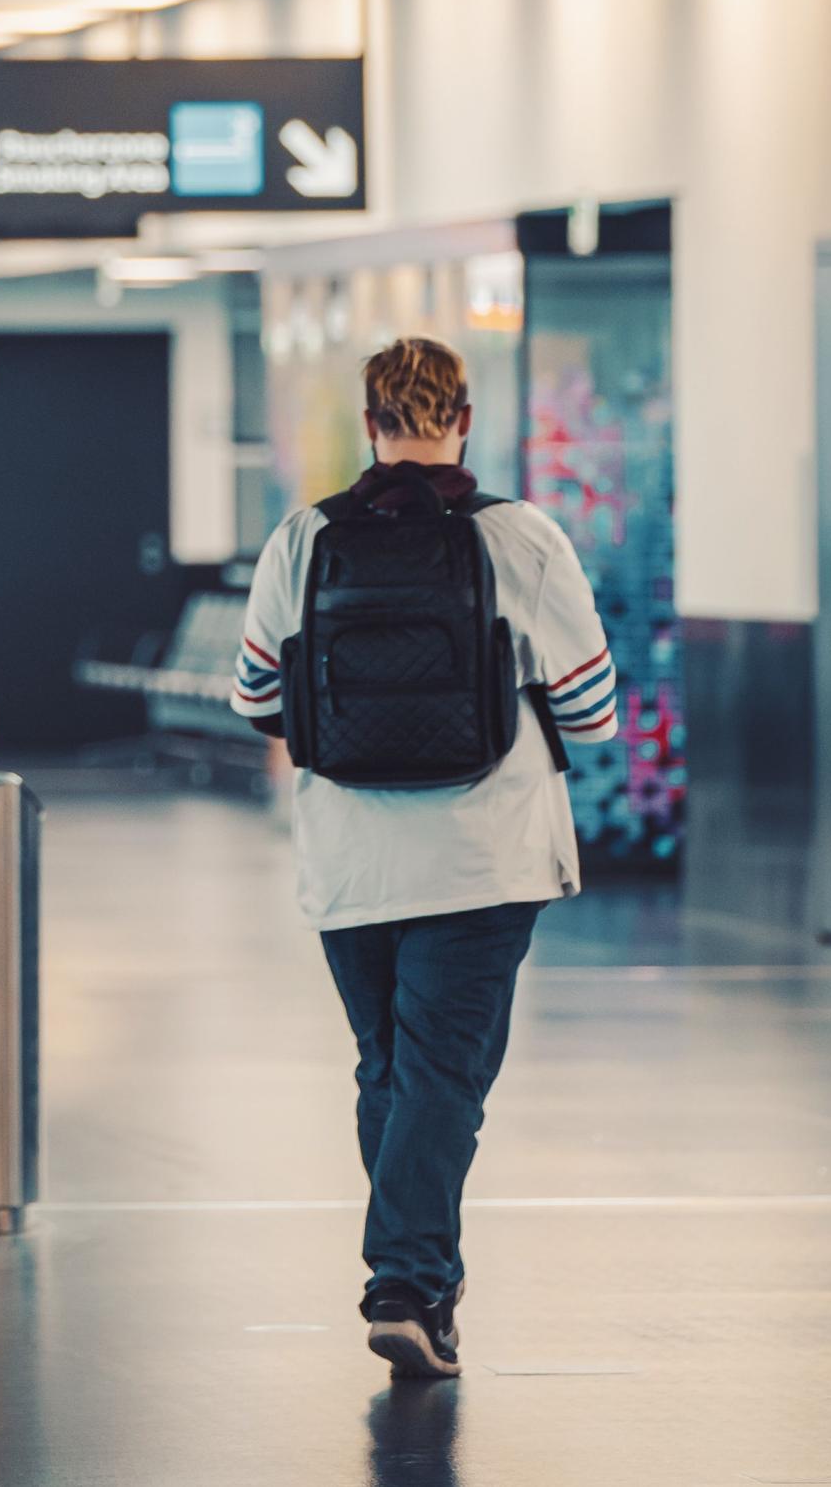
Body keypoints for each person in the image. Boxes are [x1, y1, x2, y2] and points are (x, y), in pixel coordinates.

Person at [230, 336, 617, 1384]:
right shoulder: (521, 537)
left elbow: (255, 695)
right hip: (485, 853)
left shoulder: (305, 538)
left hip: (350, 856)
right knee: (442, 1069)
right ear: (465, 419)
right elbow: (594, 707)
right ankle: (406, 1281)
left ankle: (423, 1282)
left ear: (370, 424)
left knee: (389, 1068)